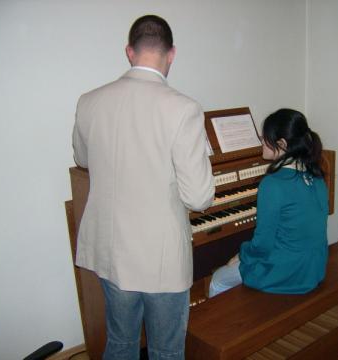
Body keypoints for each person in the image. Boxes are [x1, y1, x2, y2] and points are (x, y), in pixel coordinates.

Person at [72, 15, 215, 360]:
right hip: (159, 258)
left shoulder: (89, 101)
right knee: (166, 350)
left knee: (121, 342)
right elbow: (199, 197)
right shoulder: (184, 109)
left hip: (110, 250)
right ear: (172, 54)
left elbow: (82, 159)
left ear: (129, 52)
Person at [209, 109, 328, 297]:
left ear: (281, 144)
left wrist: (240, 256)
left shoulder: (274, 183)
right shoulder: (315, 174)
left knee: (217, 279)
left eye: (264, 138)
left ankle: (229, 324)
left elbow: (262, 244)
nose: (261, 142)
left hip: (285, 273)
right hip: (314, 267)